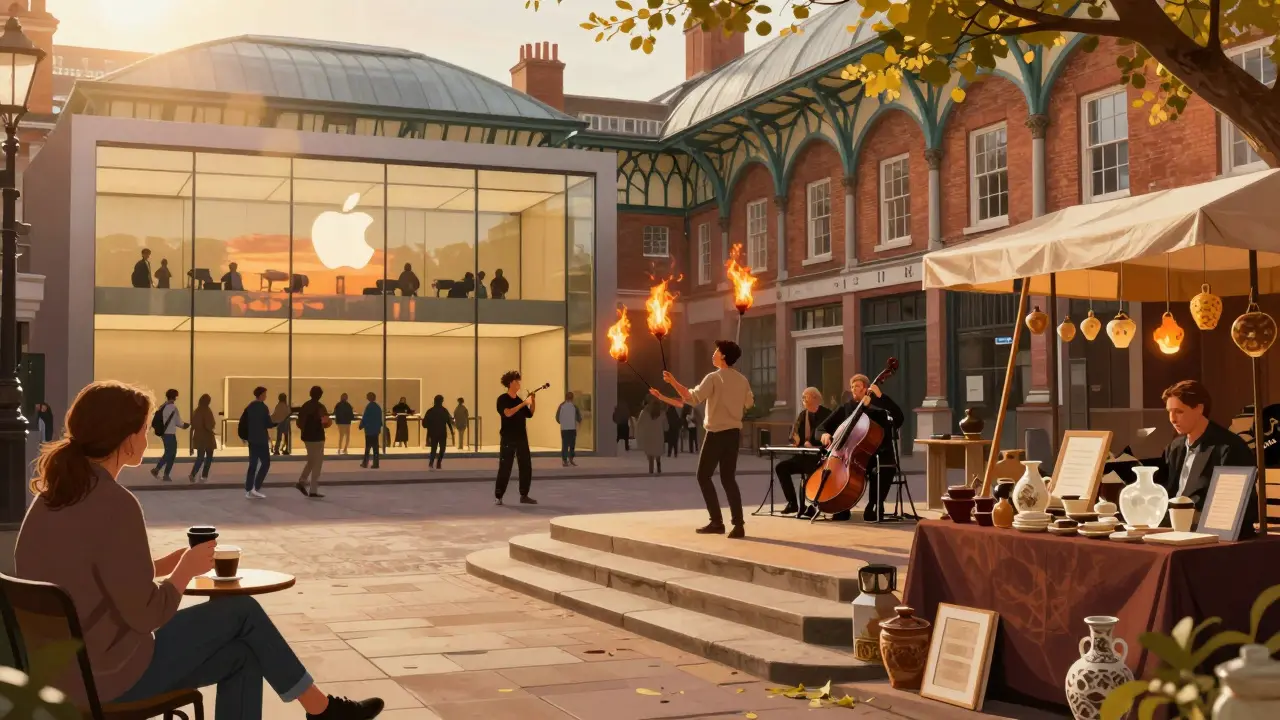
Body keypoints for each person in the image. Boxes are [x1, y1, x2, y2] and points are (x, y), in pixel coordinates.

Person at [14, 381, 385, 720]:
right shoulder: (115, 503)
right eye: (144, 428)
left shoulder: (51, 498)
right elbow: (146, 617)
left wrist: (160, 565)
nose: (149, 436)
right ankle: (322, 711)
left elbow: (90, 578)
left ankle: (321, 709)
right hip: (109, 676)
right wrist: (185, 570)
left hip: (62, 672)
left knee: (244, 655)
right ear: (126, 439)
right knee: (238, 610)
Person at [651, 340, 753, 538]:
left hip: (715, 434)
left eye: (716, 351)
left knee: (703, 476)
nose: (713, 353)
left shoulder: (713, 378)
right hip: (733, 434)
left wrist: (673, 382)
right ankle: (738, 525)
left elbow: (692, 397)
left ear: (723, 356)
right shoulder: (742, 380)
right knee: (728, 478)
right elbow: (749, 403)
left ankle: (716, 522)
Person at [1156, 380, 1256, 529]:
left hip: (1210, 529)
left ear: (1199, 408)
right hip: (1172, 526)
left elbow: (1232, 505)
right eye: (1169, 412)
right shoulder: (1175, 447)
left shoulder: (1229, 447)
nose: (1172, 419)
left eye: (1179, 411)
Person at [819, 374, 904, 522]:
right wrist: (824, 434)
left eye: (857, 386)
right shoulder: (846, 408)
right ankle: (842, 506)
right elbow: (821, 427)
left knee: (886, 467)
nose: (853, 389)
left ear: (866, 389)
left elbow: (899, 417)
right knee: (840, 470)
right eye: (852, 386)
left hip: (875, 452)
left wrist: (881, 397)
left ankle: (874, 504)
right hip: (852, 455)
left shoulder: (878, 409)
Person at [776, 387, 833, 516]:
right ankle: (792, 503)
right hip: (803, 456)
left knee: (809, 473)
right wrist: (797, 442)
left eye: (805, 397)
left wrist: (814, 444)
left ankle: (811, 505)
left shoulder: (827, 414)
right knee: (781, 467)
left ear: (815, 398)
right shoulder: (803, 415)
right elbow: (795, 435)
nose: (802, 399)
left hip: (820, 458)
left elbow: (830, 436)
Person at [495, 370, 537, 506]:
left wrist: (532, 401)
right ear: (510, 383)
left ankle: (524, 495)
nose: (519, 383)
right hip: (508, 438)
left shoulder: (519, 400)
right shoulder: (502, 399)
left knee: (526, 466)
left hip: (521, 438)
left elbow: (529, 414)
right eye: (516, 381)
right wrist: (523, 404)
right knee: (505, 467)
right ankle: (499, 496)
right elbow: (508, 413)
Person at [238, 386, 276, 498]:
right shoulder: (263, 408)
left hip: (252, 439)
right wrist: (276, 421)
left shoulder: (249, 407)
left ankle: (249, 489)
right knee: (266, 463)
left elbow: (244, 422)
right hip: (261, 440)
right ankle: (256, 486)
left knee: (253, 464)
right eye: (264, 394)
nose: (266, 396)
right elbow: (268, 424)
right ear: (261, 395)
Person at [295, 386, 330, 499]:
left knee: (311, 460)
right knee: (317, 464)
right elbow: (326, 422)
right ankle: (313, 490)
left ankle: (302, 481)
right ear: (320, 395)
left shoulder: (305, 406)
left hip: (307, 438)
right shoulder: (320, 407)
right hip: (318, 438)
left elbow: (299, 422)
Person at [149, 388, 189, 482]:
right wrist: (185, 425)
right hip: (170, 433)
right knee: (171, 453)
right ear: (175, 397)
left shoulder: (163, 406)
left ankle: (162, 472)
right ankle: (160, 471)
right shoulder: (173, 408)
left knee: (168, 452)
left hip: (164, 433)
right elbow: (179, 422)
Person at [635, 398, 668, 475]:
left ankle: (651, 470)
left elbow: (639, 424)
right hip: (658, 436)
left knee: (650, 455)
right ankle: (659, 467)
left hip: (649, 436)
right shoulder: (662, 413)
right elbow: (666, 427)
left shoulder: (644, 413)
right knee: (657, 452)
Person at [189, 393, 216, 483]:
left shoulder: (196, 411)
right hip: (207, 437)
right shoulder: (207, 411)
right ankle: (204, 475)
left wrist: (191, 446)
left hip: (198, 437)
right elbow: (209, 425)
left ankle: (193, 474)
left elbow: (192, 426)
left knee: (200, 457)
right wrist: (212, 429)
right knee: (209, 457)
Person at [422, 395, 455, 471]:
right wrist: (451, 431)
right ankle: (438, 463)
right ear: (441, 401)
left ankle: (431, 463)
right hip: (442, 433)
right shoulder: (444, 410)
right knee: (442, 449)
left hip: (433, 433)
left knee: (433, 448)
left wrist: (429, 427)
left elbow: (424, 424)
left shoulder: (430, 411)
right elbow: (449, 422)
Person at [556, 391, 581, 467]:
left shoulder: (561, 406)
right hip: (572, 428)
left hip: (564, 429)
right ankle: (571, 459)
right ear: (572, 398)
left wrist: (563, 422)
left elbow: (557, 418)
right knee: (572, 445)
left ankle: (565, 460)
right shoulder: (574, 406)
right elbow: (579, 418)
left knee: (565, 445)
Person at [359, 392, 383, 469]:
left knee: (368, 448)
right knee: (376, 448)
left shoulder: (369, 407)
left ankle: (365, 463)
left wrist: (361, 425)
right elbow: (380, 419)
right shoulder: (378, 407)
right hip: (375, 431)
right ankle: (376, 464)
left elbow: (365, 418)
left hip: (369, 430)